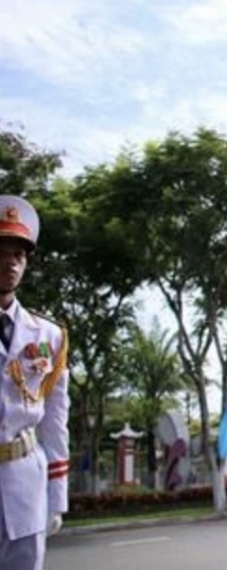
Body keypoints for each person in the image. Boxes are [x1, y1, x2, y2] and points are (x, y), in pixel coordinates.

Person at [0, 195, 69, 570]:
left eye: (19, 255)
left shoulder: (49, 335)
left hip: (24, 479)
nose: (10, 262)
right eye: (2, 251)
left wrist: (57, 495)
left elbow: (55, 420)